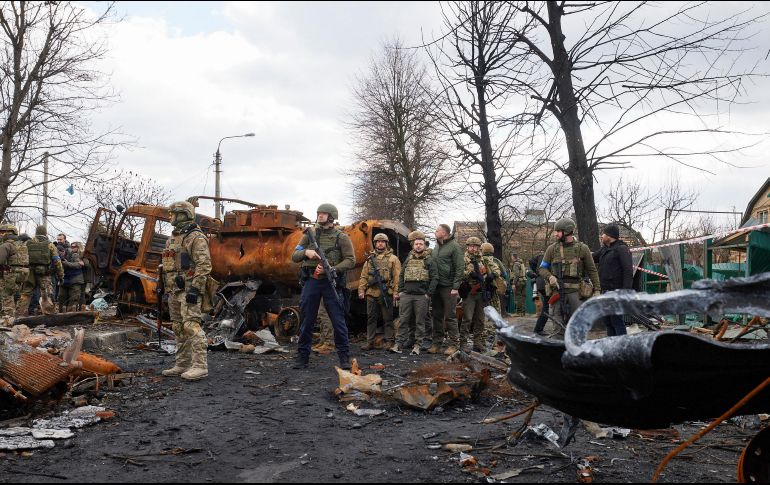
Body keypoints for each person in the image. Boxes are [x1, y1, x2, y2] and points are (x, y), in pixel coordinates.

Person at [291, 203, 355, 370]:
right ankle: (302, 357)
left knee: (338, 321)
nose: (320, 216)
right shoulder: (309, 235)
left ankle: (344, 358)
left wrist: (333, 269)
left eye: (324, 214)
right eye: (319, 213)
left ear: (332, 216)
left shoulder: (341, 237)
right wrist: (306, 253)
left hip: (330, 282)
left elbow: (350, 260)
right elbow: (294, 255)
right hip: (312, 281)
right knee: (307, 319)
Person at [160, 201, 212, 381]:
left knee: (191, 325)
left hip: (189, 289)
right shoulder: (173, 238)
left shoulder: (195, 237)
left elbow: (204, 265)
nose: (170, 217)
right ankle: (182, 363)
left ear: (182, 214)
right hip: (174, 289)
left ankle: (200, 366)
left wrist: (196, 289)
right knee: (178, 327)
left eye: (172, 213)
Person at [539, 218, 601, 328]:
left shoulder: (583, 248)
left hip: (576, 293)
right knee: (558, 326)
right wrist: (550, 277)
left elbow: (592, 270)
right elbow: (542, 268)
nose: (555, 234)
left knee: (578, 326)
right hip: (557, 292)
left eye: (558, 231)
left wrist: (597, 289)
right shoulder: (552, 249)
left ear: (567, 231)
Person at [393, 231, 437, 355]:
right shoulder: (408, 259)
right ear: (413, 245)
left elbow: (435, 278)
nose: (418, 246)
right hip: (406, 295)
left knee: (420, 321)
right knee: (403, 320)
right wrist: (400, 291)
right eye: (416, 244)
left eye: (421, 244)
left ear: (424, 246)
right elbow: (401, 275)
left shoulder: (429, 260)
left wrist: (428, 294)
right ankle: (399, 344)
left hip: (421, 296)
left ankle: (418, 344)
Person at [459, 237, 503, 352]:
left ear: (479, 247)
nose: (473, 248)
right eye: (471, 246)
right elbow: (458, 272)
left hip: (481, 292)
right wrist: (470, 273)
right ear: (467, 247)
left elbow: (497, 270)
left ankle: (477, 342)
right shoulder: (462, 259)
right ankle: (463, 343)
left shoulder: (484, 259)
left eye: (476, 246)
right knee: (467, 319)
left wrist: (492, 275)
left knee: (480, 319)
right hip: (469, 292)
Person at [358, 233, 400, 352]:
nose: (380, 243)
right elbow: (364, 276)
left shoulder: (393, 259)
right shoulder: (370, 259)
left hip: (386, 292)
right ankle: (370, 341)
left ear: (386, 244)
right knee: (371, 318)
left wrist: (396, 292)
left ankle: (389, 341)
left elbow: (397, 277)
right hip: (371, 292)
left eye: (382, 242)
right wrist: (361, 290)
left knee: (388, 318)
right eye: (378, 242)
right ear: (375, 243)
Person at [428, 224, 465, 355]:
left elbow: (460, 267)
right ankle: (436, 343)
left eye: (437, 230)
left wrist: (455, 287)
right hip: (436, 286)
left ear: (444, 233)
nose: (435, 232)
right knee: (436, 315)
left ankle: (454, 345)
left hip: (449, 287)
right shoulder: (436, 246)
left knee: (450, 316)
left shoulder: (454, 246)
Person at [593, 224, 633, 336]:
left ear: (609, 236)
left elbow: (628, 272)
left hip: (616, 292)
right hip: (605, 291)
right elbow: (591, 257)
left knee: (616, 321)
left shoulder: (622, 248)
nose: (602, 236)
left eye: (603, 234)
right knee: (608, 321)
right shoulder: (605, 249)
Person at [18, 225, 63, 316]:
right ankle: (49, 314)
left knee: (26, 293)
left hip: (29, 272)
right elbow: (57, 261)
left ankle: (20, 314)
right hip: (44, 273)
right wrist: (61, 275)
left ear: (36, 232)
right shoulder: (50, 244)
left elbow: (21, 258)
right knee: (46, 293)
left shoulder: (27, 243)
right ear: (45, 233)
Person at [480, 243, 508, 315]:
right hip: (494, 285)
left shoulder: (479, 259)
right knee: (495, 304)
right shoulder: (496, 260)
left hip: (481, 285)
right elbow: (505, 274)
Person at [59, 242, 85, 312]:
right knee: (61, 297)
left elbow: (78, 265)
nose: (72, 248)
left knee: (74, 298)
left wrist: (65, 263)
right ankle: (61, 313)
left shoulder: (80, 255)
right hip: (65, 279)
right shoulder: (66, 253)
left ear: (78, 247)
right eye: (72, 246)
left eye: (74, 247)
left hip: (76, 279)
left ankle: (70, 315)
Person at [0, 225, 18, 323]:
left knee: (6, 296)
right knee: (16, 295)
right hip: (21, 275)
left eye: (2, 232)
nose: (1, 234)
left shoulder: (5, 245)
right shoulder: (23, 244)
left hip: (8, 274)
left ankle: (8, 320)